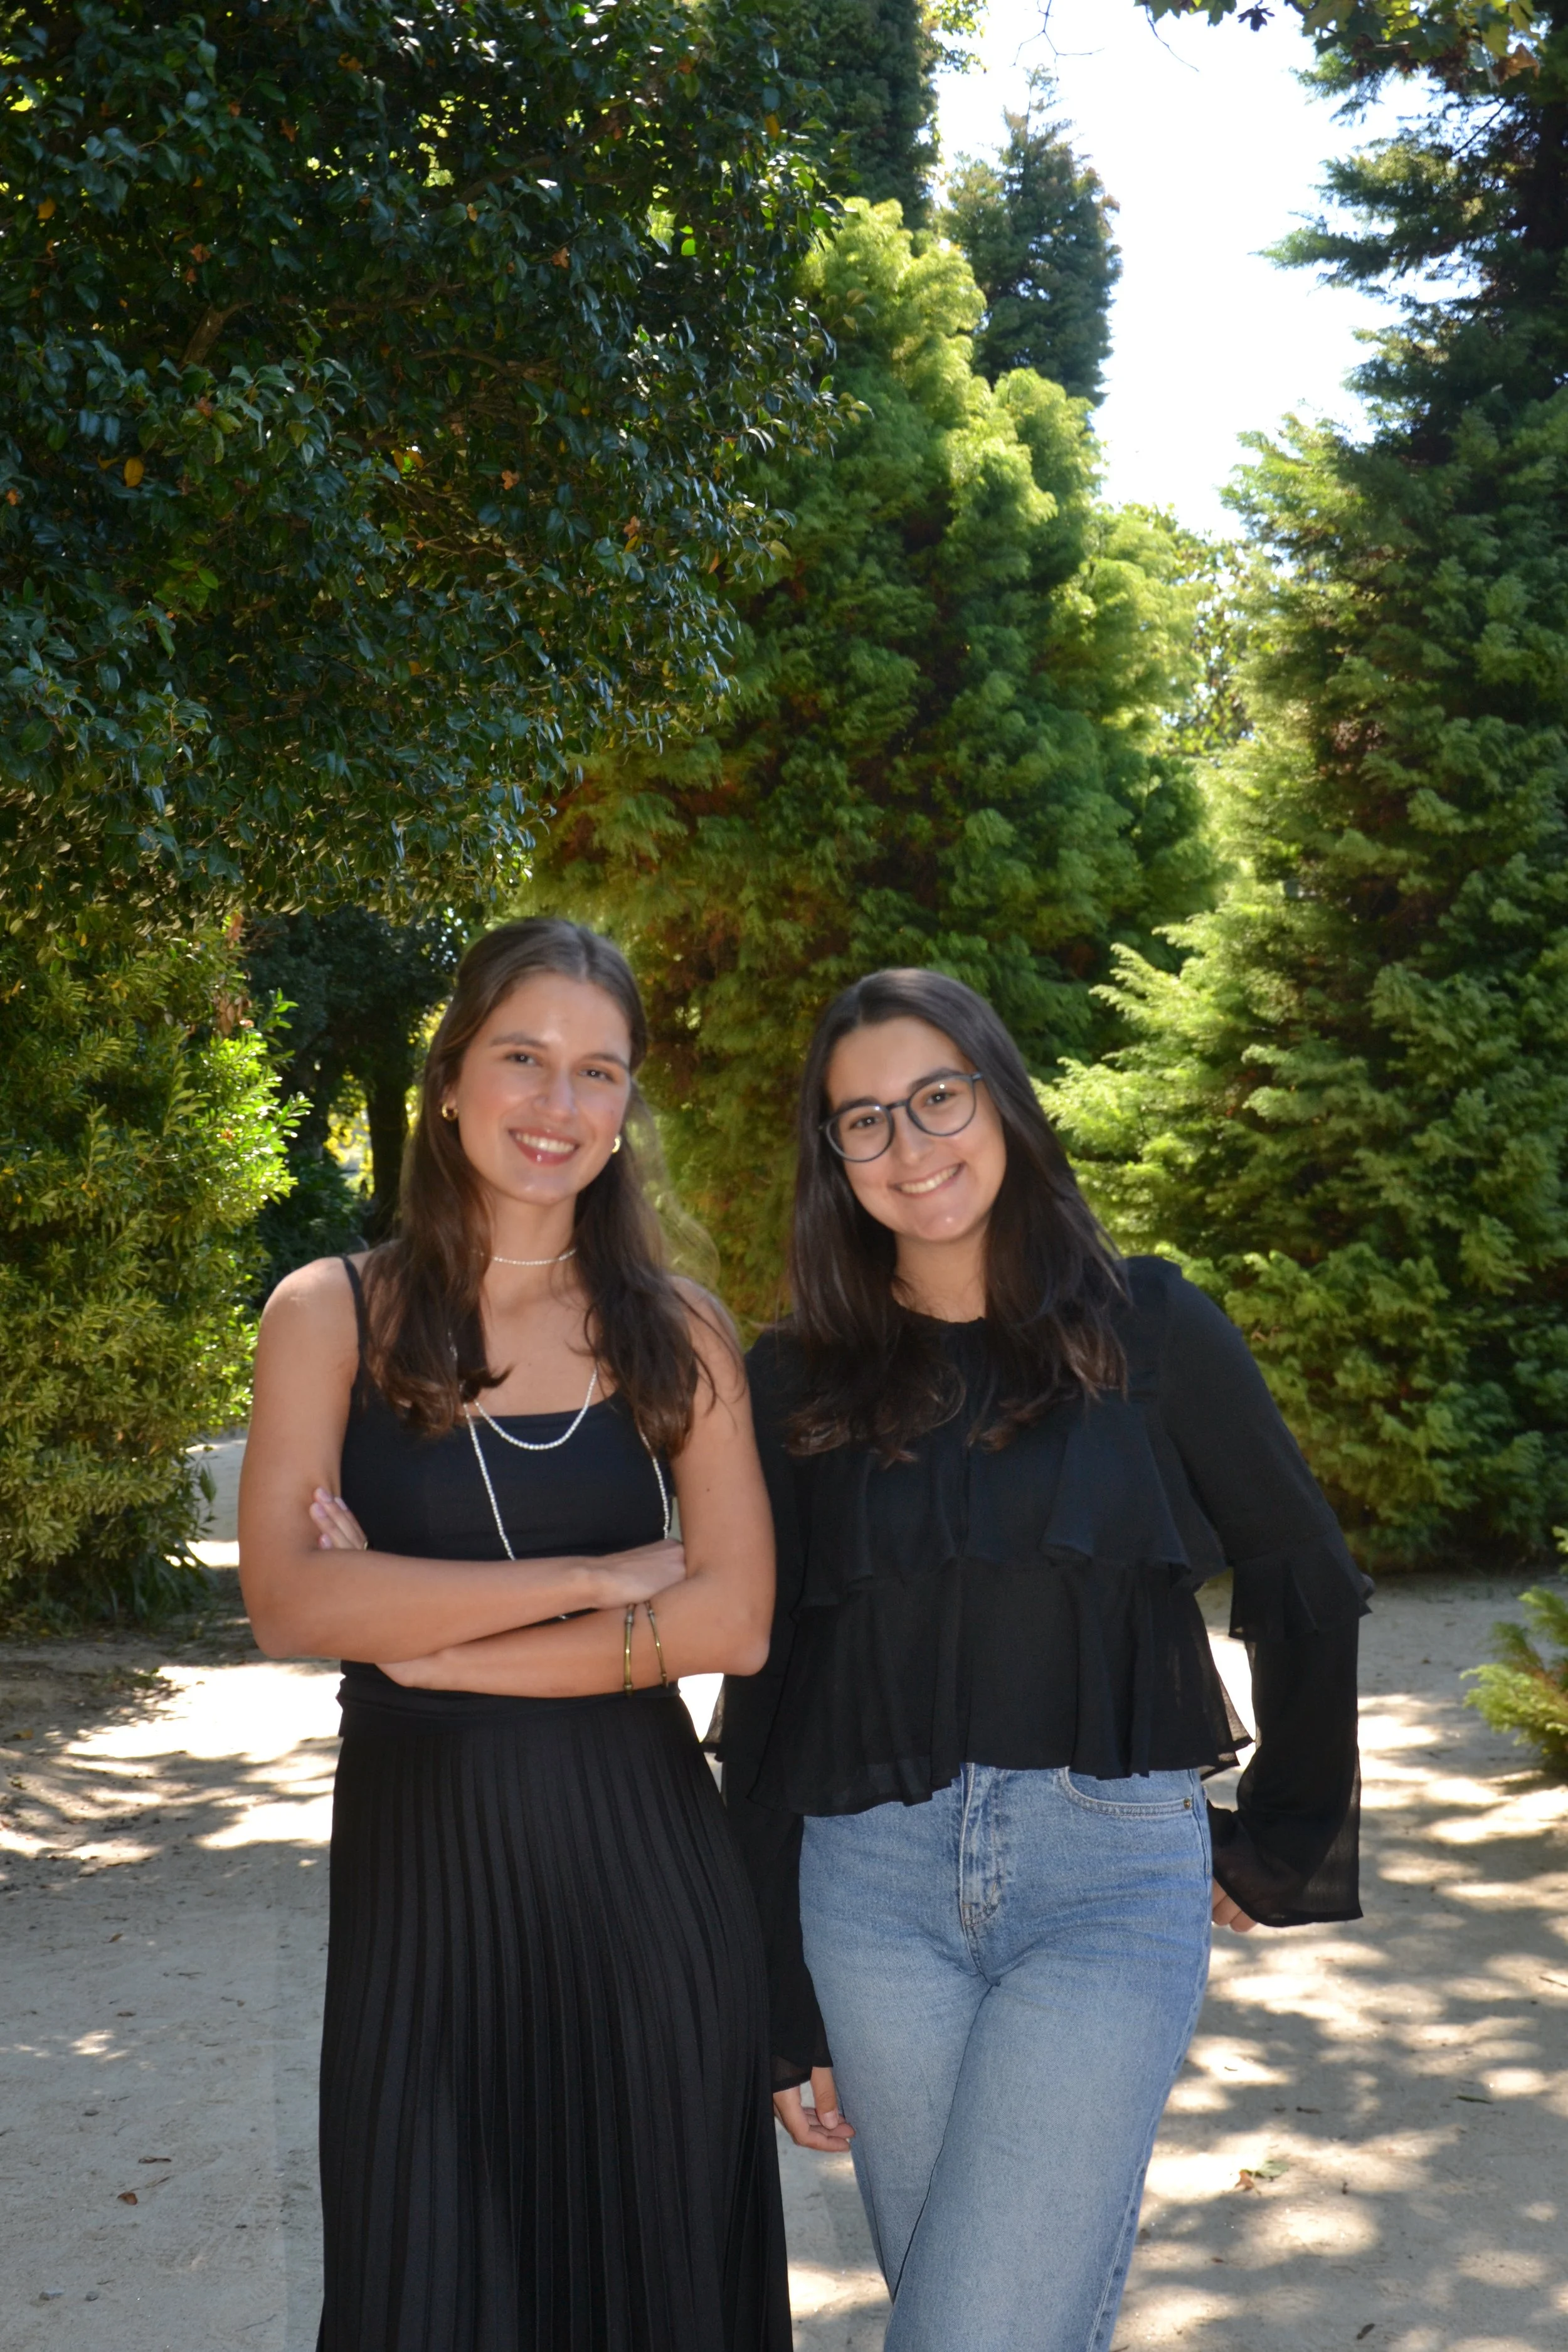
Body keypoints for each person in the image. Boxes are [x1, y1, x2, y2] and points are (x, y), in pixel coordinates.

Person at [720, 967, 1368, 2352]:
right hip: (866, 1902)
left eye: (937, 1096)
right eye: (864, 1121)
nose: (911, 1144)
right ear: (831, 1159)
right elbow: (768, 1686)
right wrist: (781, 2002)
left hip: (1103, 1888)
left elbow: (1301, 1570)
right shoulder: (791, 1379)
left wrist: (1286, 1836)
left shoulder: (1151, 1326)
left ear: (999, 1099)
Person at [239, 918, 790, 2352]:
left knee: (652, 2299)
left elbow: (731, 1620)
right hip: (423, 1895)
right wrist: (605, 1578)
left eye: (596, 1074)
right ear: (447, 1080)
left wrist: (426, 1644)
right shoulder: (330, 1314)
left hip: (646, 1884)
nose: (558, 1106)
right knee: (424, 2285)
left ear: (624, 1113)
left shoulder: (677, 1330)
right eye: (524, 1060)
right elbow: (293, 1601)